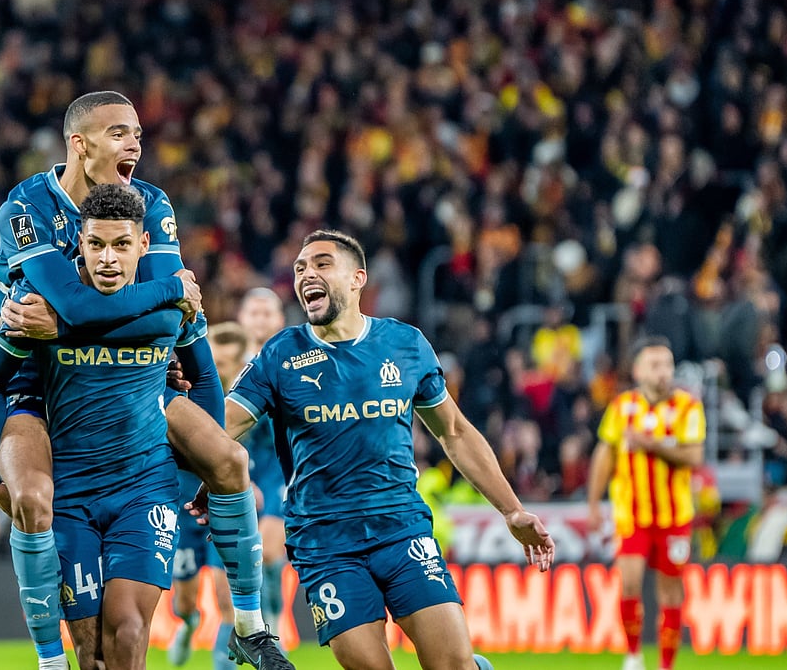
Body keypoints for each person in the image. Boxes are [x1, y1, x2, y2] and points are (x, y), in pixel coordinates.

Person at [0, 91, 282, 668]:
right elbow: (84, 302)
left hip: (133, 383)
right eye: (119, 133)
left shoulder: (151, 202)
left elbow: (171, 325)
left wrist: (86, 320)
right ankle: (51, 659)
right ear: (79, 143)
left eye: (137, 132)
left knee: (228, 462)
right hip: (37, 388)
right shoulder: (27, 207)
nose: (135, 144)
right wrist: (168, 290)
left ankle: (249, 626)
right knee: (89, 645)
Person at [220, 229, 555, 670]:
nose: (306, 275)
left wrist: (512, 510)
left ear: (358, 278)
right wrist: (211, 466)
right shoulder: (281, 355)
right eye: (300, 268)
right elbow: (222, 427)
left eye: (321, 264)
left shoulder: (405, 344)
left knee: (451, 664)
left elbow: (453, 431)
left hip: (402, 530)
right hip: (325, 545)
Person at [37, 183, 189, 669]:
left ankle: (251, 620)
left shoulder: (167, 311)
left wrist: (205, 470)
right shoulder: (42, 301)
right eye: (96, 244)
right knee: (90, 652)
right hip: (71, 492)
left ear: (144, 245)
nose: (107, 258)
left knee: (126, 627)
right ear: (78, 244)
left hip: (143, 487)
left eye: (122, 245)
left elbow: (203, 376)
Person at [587, 336, 705, 670]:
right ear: (638, 370)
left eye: (667, 365)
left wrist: (650, 444)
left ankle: (666, 664)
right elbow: (604, 456)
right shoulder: (622, 407)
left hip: (675, 516)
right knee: (630, 584)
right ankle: (634, 655)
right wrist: (594, 504)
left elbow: (694, 456)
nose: (663, 373)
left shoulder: (688, 406)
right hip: (632, 514)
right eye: (655, 365)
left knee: (671, 592)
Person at [169, 322, 252, 669]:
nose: (220, 370)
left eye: (227, 363)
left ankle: (224, 663)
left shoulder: (249, 402)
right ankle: (188, 625)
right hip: (183, 504)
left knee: (225, 593)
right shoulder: (184, 393)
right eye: (214, 362)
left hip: (224, 504)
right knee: (184, 602)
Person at [235, 289, 290, 632]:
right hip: (239, 465)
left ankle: (271, 620)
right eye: (253, 313)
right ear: (241, 319)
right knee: (247, 556)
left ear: (280, 320)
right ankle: (258, 621)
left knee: (269, 551)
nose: (260, 319)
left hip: (278, 469)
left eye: (267, 313)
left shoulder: (292, 363)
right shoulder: (225, 362)